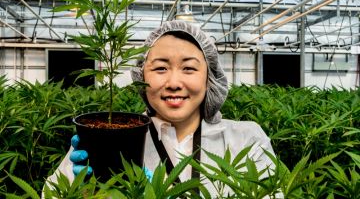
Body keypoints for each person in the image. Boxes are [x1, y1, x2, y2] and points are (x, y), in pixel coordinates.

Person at [46, 20, 277, 196]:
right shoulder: (112, 137)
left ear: (210, 78)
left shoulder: (247, 139)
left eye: (188, 69)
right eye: (160, 69)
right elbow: (51, 195)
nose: (174, 83)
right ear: (141, 76)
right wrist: (83, 193)